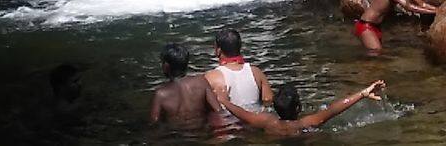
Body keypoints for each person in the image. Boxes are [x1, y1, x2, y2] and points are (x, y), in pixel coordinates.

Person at [218, 80, 386, 137]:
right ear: (299, 107)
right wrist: (362, 93)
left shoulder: (267, 122)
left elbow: (242, 113)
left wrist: (224, 101)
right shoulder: (305, 123)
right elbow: (334, 109)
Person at [149, 43, 221, 124]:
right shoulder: (201, 82)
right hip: (201, 132)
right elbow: (218, 110)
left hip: (177, 134)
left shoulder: (161, 94)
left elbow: (154, 122)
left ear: (166, 66)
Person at [204, 29, 273, 111]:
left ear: (218, 51)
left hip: (230, 122)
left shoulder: (211, 77)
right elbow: (268, 100)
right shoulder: (256, 73)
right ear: (240, 47)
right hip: (254, 118)